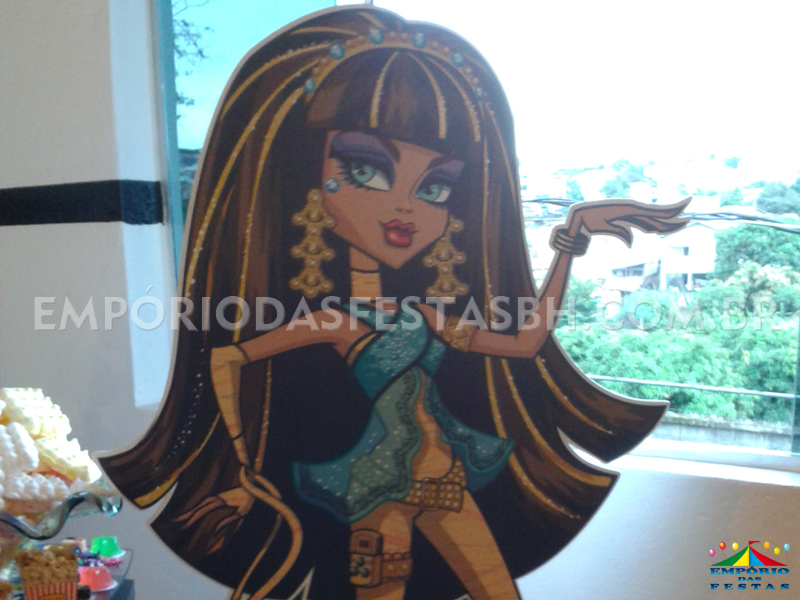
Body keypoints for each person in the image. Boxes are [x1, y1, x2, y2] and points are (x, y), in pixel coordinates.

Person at [100, 6, 689, 600]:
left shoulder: (422, 314)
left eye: (435, 186)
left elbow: (526, 341)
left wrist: (570, 243)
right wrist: (244, 467)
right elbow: (226, 358)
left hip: (445, 476)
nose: (406, 207)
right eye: (367, 169)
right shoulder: (333, 321)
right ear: (311, 176)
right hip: (378, 489)